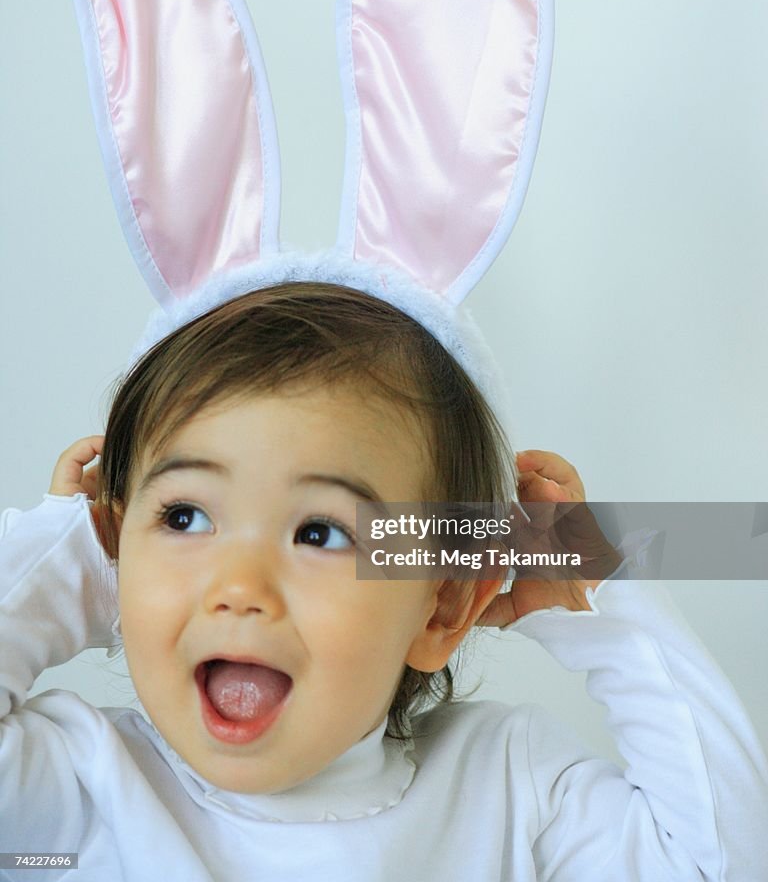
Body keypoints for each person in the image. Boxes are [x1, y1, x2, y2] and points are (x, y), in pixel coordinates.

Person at [1, 282, 766, 882]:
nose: (238, 586)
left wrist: (594, 590)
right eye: (183, 518)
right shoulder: (77, 791)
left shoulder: (505, 786)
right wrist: (69, 557)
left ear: (439, 609)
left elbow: (718, 864)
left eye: (320, 532)